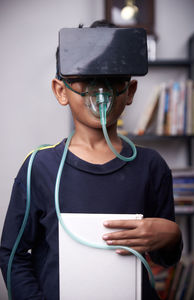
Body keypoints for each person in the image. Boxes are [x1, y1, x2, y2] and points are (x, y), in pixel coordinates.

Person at [0, 20, 182, 300]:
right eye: (88, 80)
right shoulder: (39, 167)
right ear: (61, 91)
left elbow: (164, 258)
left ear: (130, 91)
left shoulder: (151, 166)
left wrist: (172, 236)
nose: (101, 93)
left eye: (113, 81)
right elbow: (12, 255)